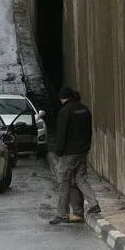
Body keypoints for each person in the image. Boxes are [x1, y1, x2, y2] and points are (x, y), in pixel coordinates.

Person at [49, 87, 100, 225]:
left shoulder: (65, 111)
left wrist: (59, 151)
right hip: (82, 151)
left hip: (68, 154)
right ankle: (93, 203)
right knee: (80, 178)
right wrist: (87, 147)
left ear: (62, 98)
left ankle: (62, 214)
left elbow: (62, 134)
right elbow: (89, 131)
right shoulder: (84, 109)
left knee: (64, 182)